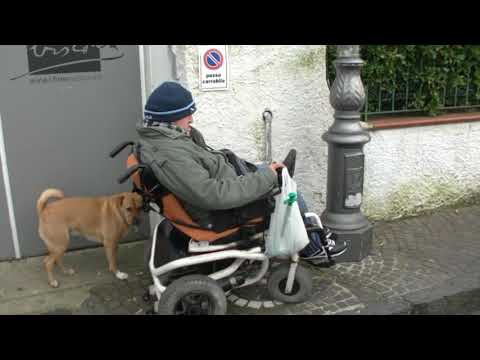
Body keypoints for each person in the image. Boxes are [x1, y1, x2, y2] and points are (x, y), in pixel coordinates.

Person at [136, 81, 346, 261]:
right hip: (221, 212)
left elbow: (201, 174)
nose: (191, 119)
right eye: (187, 115)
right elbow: (212, 194)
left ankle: (308, 230)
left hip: (225, 184)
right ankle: (315, 248)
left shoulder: (165, 139)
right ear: (171, 118)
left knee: (271, 171)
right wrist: (268, 177)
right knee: (287, 190)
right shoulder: (170, 154)